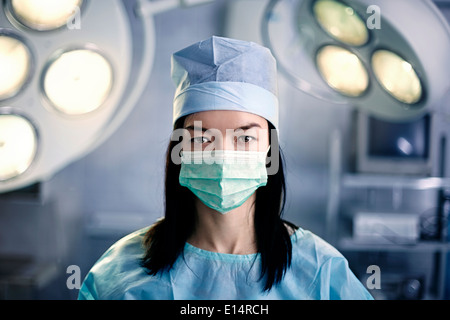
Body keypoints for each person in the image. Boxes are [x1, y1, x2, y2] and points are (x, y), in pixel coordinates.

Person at [78, 36, 373, 300]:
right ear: (180, 151)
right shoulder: (119, 275)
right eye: (202, 137)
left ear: (270, 149)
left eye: (245, 137)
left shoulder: (321, 272)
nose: (223, 154)